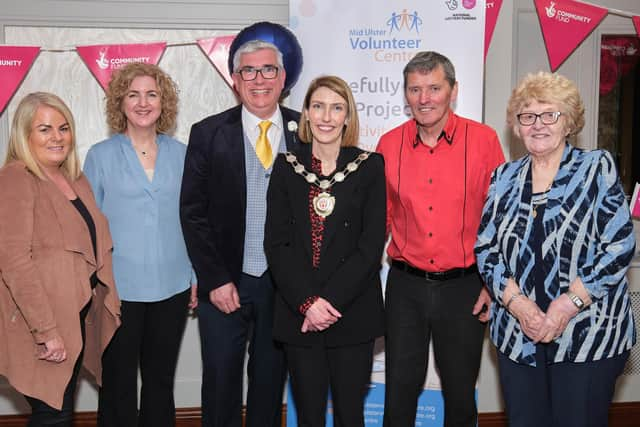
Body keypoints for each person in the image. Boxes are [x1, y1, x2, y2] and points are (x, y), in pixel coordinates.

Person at [475, 71, 636, 427]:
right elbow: (486, 249)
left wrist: (567, 304)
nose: (538, 124)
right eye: (528, 116)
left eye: (550, 114)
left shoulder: (596, 168)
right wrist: (517, 304)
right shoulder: (503, 178)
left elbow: (619, 244)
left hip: (588, 334)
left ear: (568, 122)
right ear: (517, 126)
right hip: (519, 335)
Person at [376, 51, 505, 427]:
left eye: (434, 88)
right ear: (406, 95)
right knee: (399, 389)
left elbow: (498, 219)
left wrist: (492, 284)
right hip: (405, 286)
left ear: (453, 91)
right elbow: (379, 218)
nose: (424, 98)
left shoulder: (483, 141)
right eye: (415, 89)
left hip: (464, 287)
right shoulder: (389, 144)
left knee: (460, 392)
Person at [180, 39, 300, 427]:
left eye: (268, 70)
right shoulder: (208, 133)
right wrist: (214, 279)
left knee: (269, 383)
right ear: (235, 79)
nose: (259, 79)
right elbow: (192, 212)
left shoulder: (310, 130)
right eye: (248, 70)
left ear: (282, 78)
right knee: (220, 383)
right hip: (224, 283)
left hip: (284, 288)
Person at [265, 75, 386, 427]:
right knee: (309, 416)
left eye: (336, 108)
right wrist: (308, 303)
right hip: (299, 315)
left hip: (351, 312)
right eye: (318, 106)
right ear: (305, 113)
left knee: (350, 415)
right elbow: (277, 244)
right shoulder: (287, 167)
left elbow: (369, 246)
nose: (326, 117)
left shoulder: (370, 166)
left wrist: (327, 304)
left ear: (348, 116)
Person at [83, 62, 197, 427]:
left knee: (160, 382)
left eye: (152, 94)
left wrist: (196, 275)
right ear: (121, 102)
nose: (143, 102)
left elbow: (194, 219)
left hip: (174, 285)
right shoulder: (100, 156)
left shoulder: (183, 154)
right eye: (133, 94)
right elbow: (89, 225)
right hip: (117, 288)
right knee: (117, 384)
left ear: (164, 103)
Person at [0, 92, 121, 425]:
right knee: (53, 413)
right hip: (39, 319)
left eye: (63, 128)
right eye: (44, 129)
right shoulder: (16, 178)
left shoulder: (74, 179)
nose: (57, 137)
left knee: (59, 410)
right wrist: (46, 330)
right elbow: (14, 261)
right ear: (24, 135)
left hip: (74, 316)